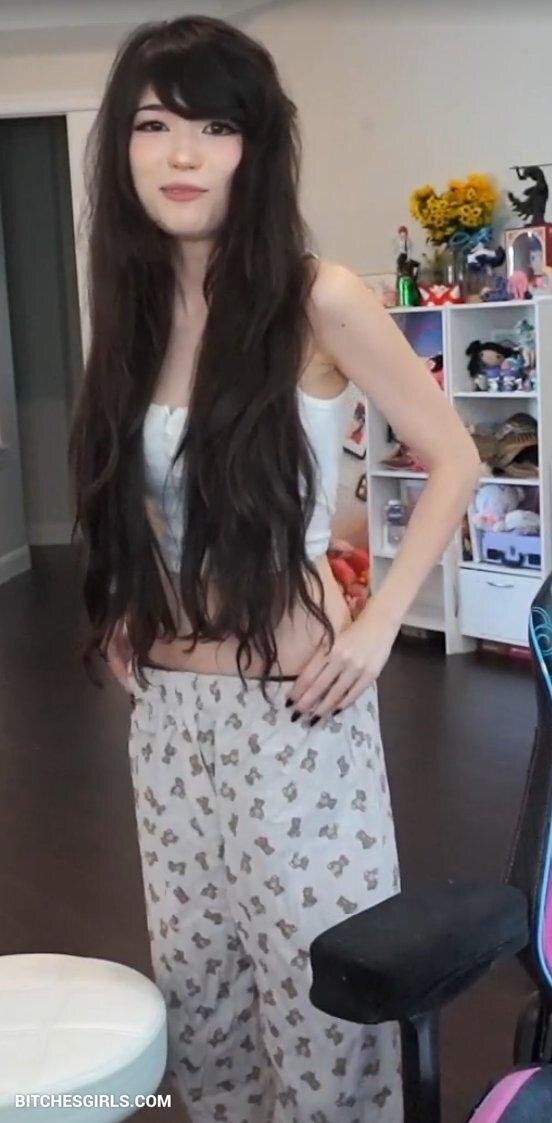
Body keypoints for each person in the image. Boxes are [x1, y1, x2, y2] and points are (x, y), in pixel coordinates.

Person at [68, 15, 481, 1123]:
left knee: (322, 1001)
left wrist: (379, 624)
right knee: (198, 998)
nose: (184, 153)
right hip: (167, 714)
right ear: (121, 147)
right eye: (154, 124)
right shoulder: (130, 307)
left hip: (292, 710)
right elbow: (140, 487)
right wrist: (127, 606)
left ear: (257, 146)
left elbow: (455, 456)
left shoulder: (317, 297)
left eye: (217, 126)